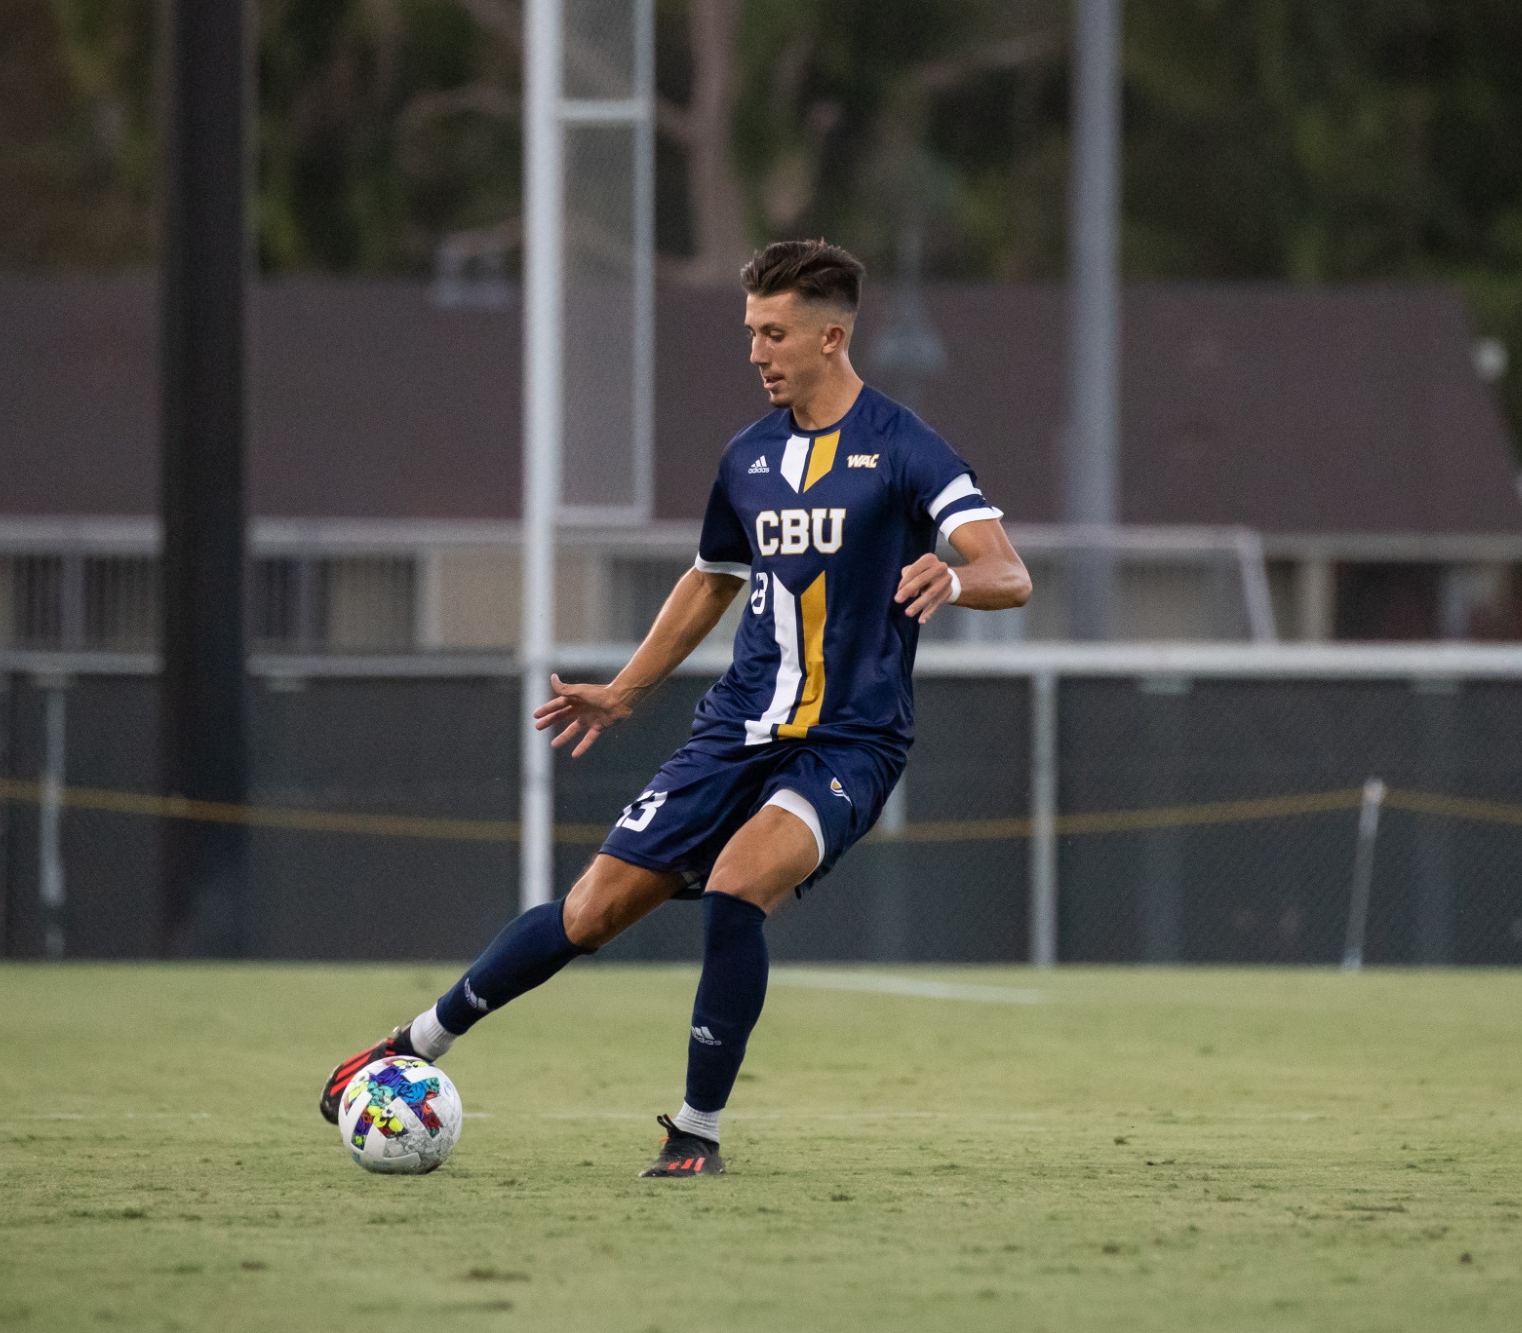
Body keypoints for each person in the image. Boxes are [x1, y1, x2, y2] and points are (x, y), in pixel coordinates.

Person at [320, 238, 1031, 1177]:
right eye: (750, 332)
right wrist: (624, 689)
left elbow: (1008, 571)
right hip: (736, 728)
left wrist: (954, 572)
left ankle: (696, 1131)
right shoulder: (748, 458)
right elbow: (711, 580)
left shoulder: (906, 446)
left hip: (850, 742)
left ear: (830, 336)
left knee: (738, 886)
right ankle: (413, 1046)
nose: (756, 351)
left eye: (773, 333)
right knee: (592, 911)